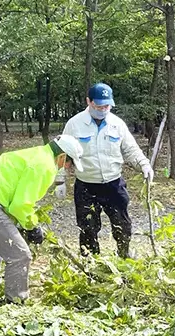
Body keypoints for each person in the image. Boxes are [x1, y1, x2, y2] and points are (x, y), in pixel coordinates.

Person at [0, 136, 84, 304]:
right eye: (69, 164)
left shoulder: (36, 154)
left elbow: (11, 202)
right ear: (62, 156)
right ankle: (15, 303)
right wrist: (32, 227)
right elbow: (20, 205)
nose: (68, 168)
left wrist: (20, 224)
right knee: (20, 255)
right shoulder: (45, 165)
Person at [56, 83, 154, 259]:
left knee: (122, 225)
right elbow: (63, 154)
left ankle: (124, 255)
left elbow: (130, 149)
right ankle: (92, 264)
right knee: (88, 228)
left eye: (106, 106)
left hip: (113, 184)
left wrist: (144, 164)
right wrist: (60, 181)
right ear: (89, 101)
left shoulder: (117, 124)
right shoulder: (75, 124)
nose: (103, 109)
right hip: (86, 186)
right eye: (99, 105)